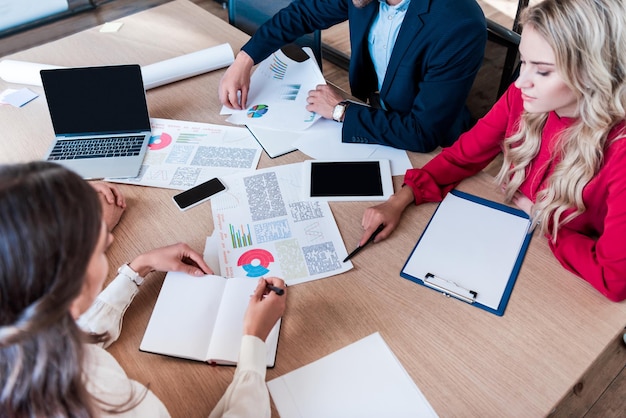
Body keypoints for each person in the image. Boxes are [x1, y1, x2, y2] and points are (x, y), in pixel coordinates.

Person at [360, 0, 626, 302]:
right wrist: (401, 199)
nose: (521, 82)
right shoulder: (523, 96)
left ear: (592, 73)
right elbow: (463, 156)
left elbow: (613, 278)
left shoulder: (620, 153)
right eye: (523, 63)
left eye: (542, 71)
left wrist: (539, 218)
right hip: (517, 248)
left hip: (564, 279)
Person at [0, 161, 286, 417]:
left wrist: (138, 268)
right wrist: (253, 344)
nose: (109, 246)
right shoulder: (104, 399)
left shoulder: (20, 337)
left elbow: (71, 338)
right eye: (101, 249)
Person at [219, 0, 486, 153]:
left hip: (429, 146)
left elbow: (423, 133)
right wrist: (245, 59)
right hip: (374, 117)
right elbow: (302, 14)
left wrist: (341, 111)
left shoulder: (459, 24)